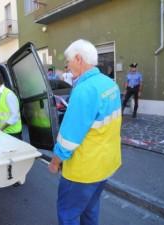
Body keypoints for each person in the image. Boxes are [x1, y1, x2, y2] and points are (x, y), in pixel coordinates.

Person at [48, 39, 122, 225]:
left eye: (68, 61)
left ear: (79, 59)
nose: (67, 66)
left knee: (68, 214)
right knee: (90, 209)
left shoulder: (84, 90)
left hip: (83, 171)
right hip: (106, 164)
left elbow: (68, 139)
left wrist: (56, 161)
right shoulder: (110, 84)